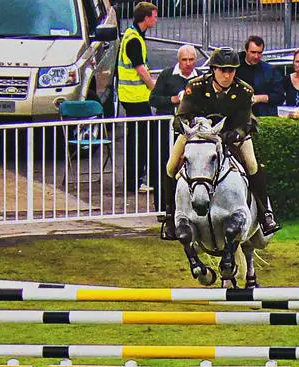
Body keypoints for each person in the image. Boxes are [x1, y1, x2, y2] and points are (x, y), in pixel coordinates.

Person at [159, 47, 279, 239]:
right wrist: (191, 130)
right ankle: (169, 216)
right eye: (223, 70)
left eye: (231, 70)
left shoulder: (244, 90)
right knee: (171, 165)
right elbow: (181, 116)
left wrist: (234, 135)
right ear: (213, 69)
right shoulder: (195, 86)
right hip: (197, 135)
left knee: (252, 164)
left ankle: (266, 214)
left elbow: (246, 123)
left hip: (231, 135)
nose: (227, 74)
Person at [150, 45, 199, 222]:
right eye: (184, 60)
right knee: (164, 166)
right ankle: (163, 208)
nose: (187, 64)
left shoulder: (199, 77)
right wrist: (173, 100)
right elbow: (153, 99)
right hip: (166, 130)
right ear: (178, 60)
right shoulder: (166, 75)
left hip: (190, 133)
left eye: (191, 60)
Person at [118, 1, 158, 191]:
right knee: (141, 139)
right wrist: (153, 86)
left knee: (140, 137)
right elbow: (140, 69)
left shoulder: (134, 35)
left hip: (133, 96)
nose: (156, 19)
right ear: (146, 18)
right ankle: (135, 181)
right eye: (154, 16)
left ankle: (136, 179)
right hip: (134, 97)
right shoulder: (133, 39)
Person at [236, 35, 283, 117]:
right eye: (253, 52)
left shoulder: (270, 70)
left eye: (259, 53)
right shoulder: (234, 67)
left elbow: (280, 96)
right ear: (246, 51)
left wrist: (259, 98)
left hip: (260, 115)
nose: (256, 56)